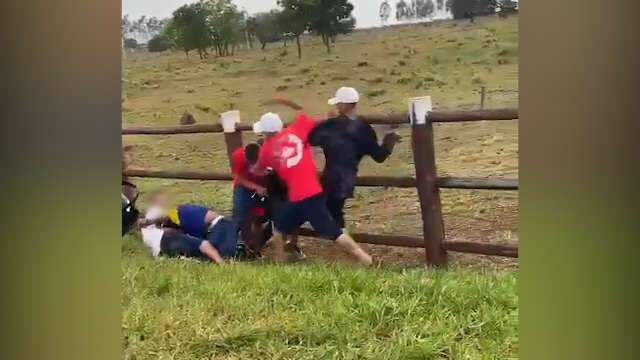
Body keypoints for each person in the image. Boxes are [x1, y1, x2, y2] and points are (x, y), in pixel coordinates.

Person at [251, 98, 373, 266]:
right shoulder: (298, 129)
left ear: (264, 132)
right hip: (310, 192)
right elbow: (307, 112)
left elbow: (258, 169)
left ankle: (365, 259)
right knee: (279, 229)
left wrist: (263, 168)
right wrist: (286, 101)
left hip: (302, 197)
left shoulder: (266, 149)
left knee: (333, 233)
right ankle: (279, 264)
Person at [309, 87, 401, 229]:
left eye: (338, 104)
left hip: (328, 176)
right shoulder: (363, 128)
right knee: (333, 212)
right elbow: (379, 156)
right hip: (346, 178)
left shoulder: (329, 126)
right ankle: (342, 241)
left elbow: (311, 139)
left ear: (344, 105)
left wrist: (325, 121)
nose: (336, 106)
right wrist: (389, 140)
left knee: (322, 212)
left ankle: (343, 243)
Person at [138, 191, 242, 263]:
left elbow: (165, 216)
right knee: (210, 253)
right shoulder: (181, 223)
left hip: (219, 225)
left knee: (221, 254)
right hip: (214, 229)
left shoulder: (177, 213)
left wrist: (148, 222)